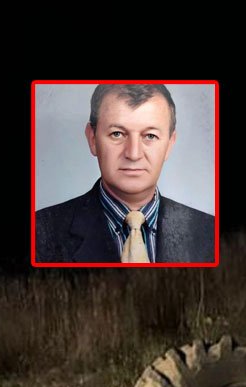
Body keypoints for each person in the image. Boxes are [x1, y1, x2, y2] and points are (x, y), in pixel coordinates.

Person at [35, 84, 213, 264]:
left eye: (150, 136)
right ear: (92, 139)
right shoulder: (39, 232)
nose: (133, 154)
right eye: (117, 134)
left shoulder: (210, 233)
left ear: (169, 144)